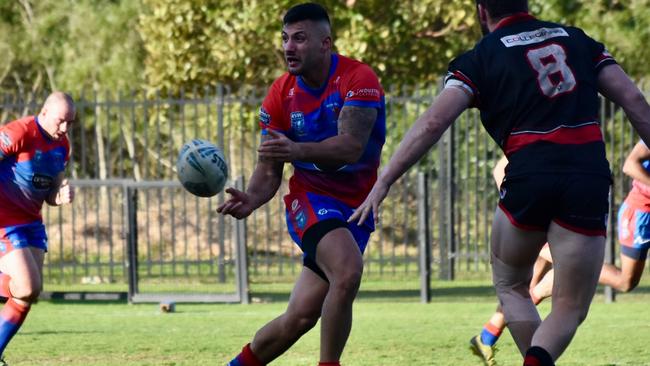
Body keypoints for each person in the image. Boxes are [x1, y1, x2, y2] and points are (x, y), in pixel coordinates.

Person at [349, 0, 650, 364]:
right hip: (585, 177)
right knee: (570, 308)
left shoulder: (480, 57)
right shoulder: (577, 40)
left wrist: (384, 182)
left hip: (527, 176)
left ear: (481, 11)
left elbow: (432, 123)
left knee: (511, 285)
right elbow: (633, 99)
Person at [218, 3, 385, 366]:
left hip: (356, 209)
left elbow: (351, 147)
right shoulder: (279, 95)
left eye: (299, 38)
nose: (289, 47)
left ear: (325, 43)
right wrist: (252, 198)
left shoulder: (359, 79)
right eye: (285, 39)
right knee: (348, 270)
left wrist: (296, 148)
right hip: (310, 200)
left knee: (301, 317)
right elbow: (268, 169)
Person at [471, 145, 650, 365]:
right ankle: (492, 338)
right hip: (536, 213)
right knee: (530, 292)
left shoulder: (564, 127)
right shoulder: (534, 128)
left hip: (557, 208)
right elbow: (501, 170)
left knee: (528, 292)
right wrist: (520, 207)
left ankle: (488, 336)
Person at [0, 92, 75, 364]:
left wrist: (60, 197)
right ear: (44, 113)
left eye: (71, 123)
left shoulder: (62, 146)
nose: (65, 128)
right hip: (4, 221)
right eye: (61, 121)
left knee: (27, 293)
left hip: (32, 222)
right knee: (28, 285)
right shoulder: (19, 131)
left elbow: (51, 192)